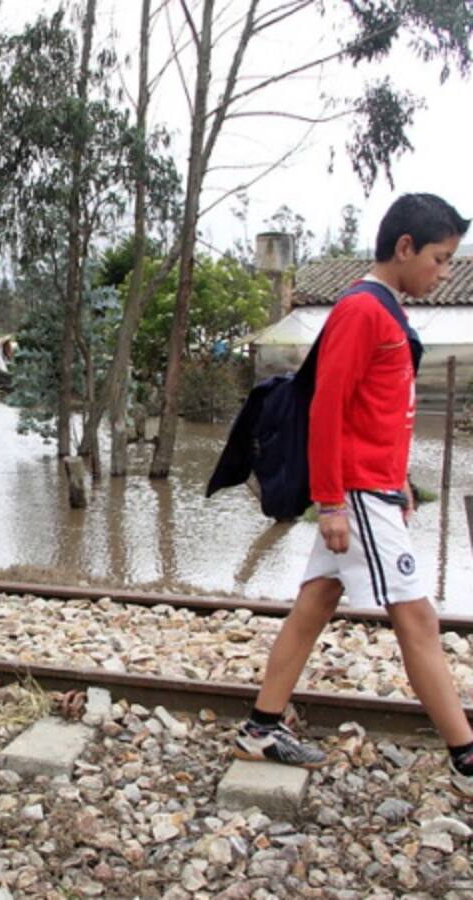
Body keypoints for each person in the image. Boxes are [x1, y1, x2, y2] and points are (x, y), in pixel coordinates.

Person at [234, 193, 472, 797]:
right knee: (417, 617)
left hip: (376, 489)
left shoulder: (388, 309)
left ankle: (262, 727)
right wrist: (333, 502)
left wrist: (403, 485)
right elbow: (327, 410)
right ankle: (466, 757)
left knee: (315, 601)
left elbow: (381, 413)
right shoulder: (361, 310)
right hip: (357, 495)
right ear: (404, 248)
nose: (445, 273)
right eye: (441, 260)